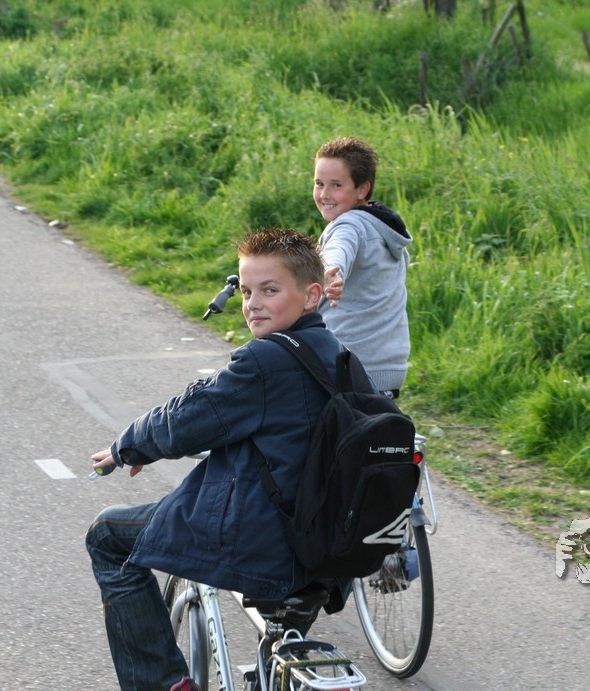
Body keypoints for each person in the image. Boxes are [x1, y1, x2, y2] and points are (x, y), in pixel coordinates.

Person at [85, 227, 345, 691]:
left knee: (107, 536)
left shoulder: (265, 361)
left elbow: (188, 418)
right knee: (273, 663)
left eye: (269, 290)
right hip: (327, 546)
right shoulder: (338, 356)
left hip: (263, 540)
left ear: (311, 296)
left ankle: (161, 683)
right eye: (246, 291)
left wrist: (129, 446)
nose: (253, 304)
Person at [313, 136, 413, 398]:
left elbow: (339, 250)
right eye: (319, 183)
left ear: (362, 189)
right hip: (386, 368)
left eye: (336, 185)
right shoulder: (383, 228)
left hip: (347, 367)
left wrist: (329, 272)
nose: (324, 194)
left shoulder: (349, 226)